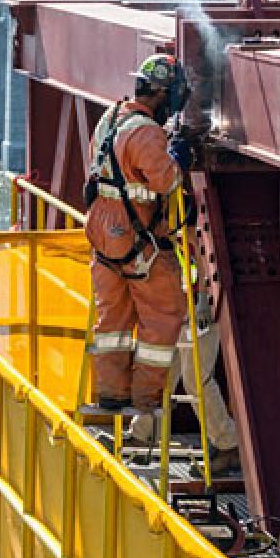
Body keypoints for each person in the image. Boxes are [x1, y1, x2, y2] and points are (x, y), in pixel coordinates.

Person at [83, 53, 192, 416]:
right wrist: (178, 157)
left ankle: (111, 393)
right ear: (163, 94)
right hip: (137, 235)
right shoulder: (146, 132)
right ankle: (146, 402)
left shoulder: (111, 117)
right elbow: (165, 180)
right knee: (163, 314)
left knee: (112, 317)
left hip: (104, 231)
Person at [127, 289, 241, 476]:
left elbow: (206, 262)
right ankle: (143, 435)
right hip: (179, 305)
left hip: (200, 308)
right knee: (162, 373)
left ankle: (228, 446)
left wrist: (204, 299)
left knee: (196, 380)